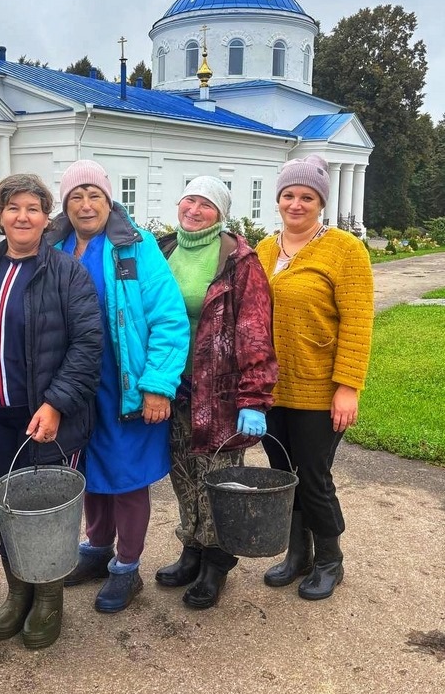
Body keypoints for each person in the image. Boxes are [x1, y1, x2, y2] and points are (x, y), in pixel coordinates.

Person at [0, 174, 103, 650]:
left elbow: (88, 345)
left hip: (47, 421)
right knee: (8, 510)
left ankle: (48, 600)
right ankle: (17, 590)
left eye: (33, 208)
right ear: (0, 215)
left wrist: (55, 403)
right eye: (12, 207)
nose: (22, 216)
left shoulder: (67, 272)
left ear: (48, 218)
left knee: (46, 514)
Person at [48, 160, 190, 613]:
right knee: (88, 470)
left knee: (127, 477)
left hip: (126, 383)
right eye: (76, 196)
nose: (86, 205)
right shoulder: (56, 245)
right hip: (77, 384)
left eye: (94, 195)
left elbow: (168, 318)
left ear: (110, 201)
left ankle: (127, 569)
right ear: (65, 204)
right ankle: (96, 548)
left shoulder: (134, 247)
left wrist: (158, 386)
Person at [153, 176, 278, 609]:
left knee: (218, 477)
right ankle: (191, 547)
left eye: (206, 204)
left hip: (220, 392)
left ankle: (217, 562)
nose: (194, 209)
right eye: (189, 199)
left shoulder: (239, 260)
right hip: (170, 386)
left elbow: (255, 331)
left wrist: (254, 398)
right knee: (182, 474)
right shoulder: (162, 249)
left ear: (220, 213)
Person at [256, 154, 374, 600]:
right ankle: (296, 554)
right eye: (289, 195)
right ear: (279, 200)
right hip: (270, 390)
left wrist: (348, 387)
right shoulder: (266, 249)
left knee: (314, 475)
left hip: (320, 389)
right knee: (282, 471)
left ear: (320, 202)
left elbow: (358, 321)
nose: (297, 204)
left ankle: (330, 559)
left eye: (307, 196)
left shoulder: (345, 250)